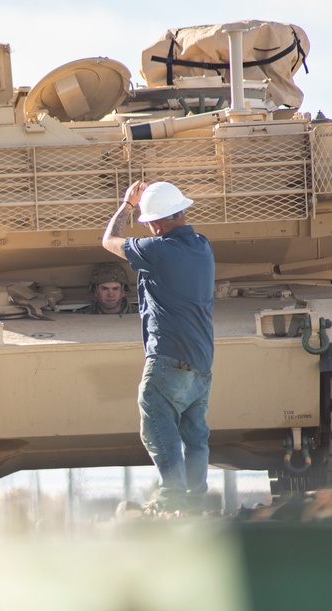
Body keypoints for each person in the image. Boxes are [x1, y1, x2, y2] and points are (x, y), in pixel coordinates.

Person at [102, 181, 215, 514]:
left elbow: (108, 240)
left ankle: (172, 502)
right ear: (182, 211)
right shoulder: (203, 246)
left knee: (156, 425)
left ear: (154, 223)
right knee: (195, 437)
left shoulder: (158, 250)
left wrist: (126, 205)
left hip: (167, 360)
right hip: (202, 363)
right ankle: (195, 504)